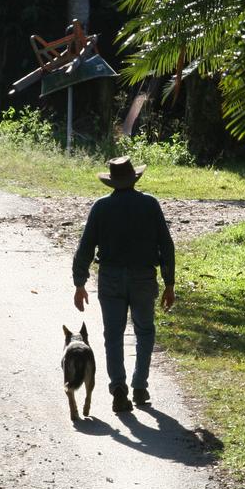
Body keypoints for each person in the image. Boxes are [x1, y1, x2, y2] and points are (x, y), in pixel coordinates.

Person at [72, 156, 176, 413]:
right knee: (145, 332)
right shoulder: (150, 205)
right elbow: (166, 245)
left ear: (112, 182)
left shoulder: (101, 207)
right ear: (134, 179)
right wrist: (169, 283)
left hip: (110, 278)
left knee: (113, 335)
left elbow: (85, 247)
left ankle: (118, 389)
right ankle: (140, 386)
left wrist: (80, 283)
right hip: (143, 277)